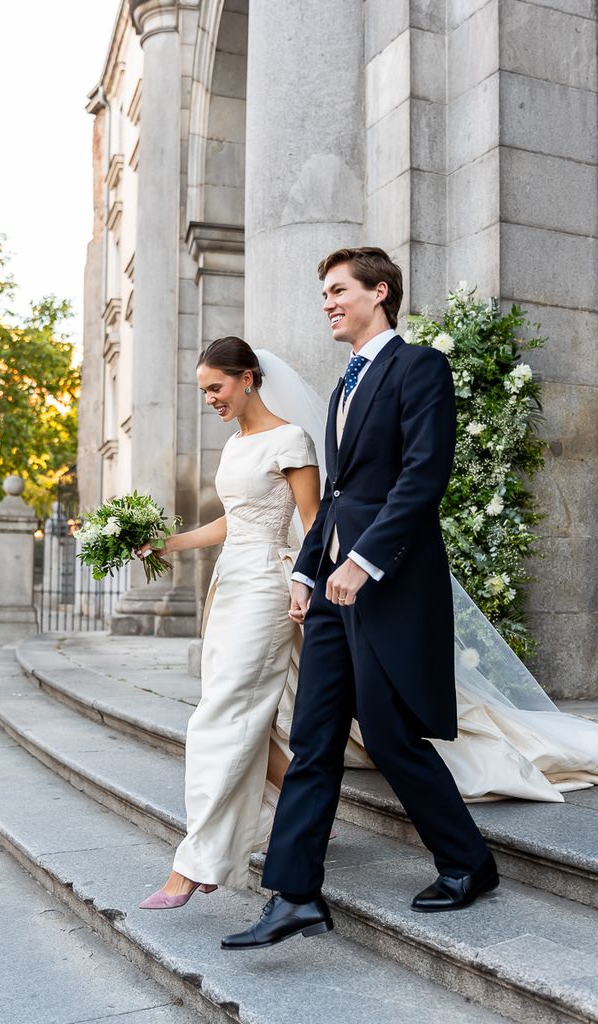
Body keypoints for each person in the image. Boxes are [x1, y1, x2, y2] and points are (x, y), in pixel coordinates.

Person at [221, 246, 501, 950]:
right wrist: (309, 571)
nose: (327, 302)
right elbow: (338, 498)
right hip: (332, 595)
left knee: (388, 734)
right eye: (323, 293)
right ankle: (293, 896)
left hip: (390, 586)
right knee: (314, 740)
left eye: (338, 290)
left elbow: (422, 476)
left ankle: (469, 864)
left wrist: (366, 562)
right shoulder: (344, 386)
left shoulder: (419, 367)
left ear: (380, 293)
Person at [136, 336, 320, 908]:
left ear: (247, 378)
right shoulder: (235, 445)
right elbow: (230, 522)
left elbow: (313, 525)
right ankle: (305, 809)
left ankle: (195, 864)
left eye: (216, 387)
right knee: (243, 713)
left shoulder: (291, 439)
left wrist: (303, 584)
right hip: (230, 585)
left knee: (218, 717)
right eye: (204, 391)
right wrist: (169, 543)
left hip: (268, 588)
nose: (210, 398)